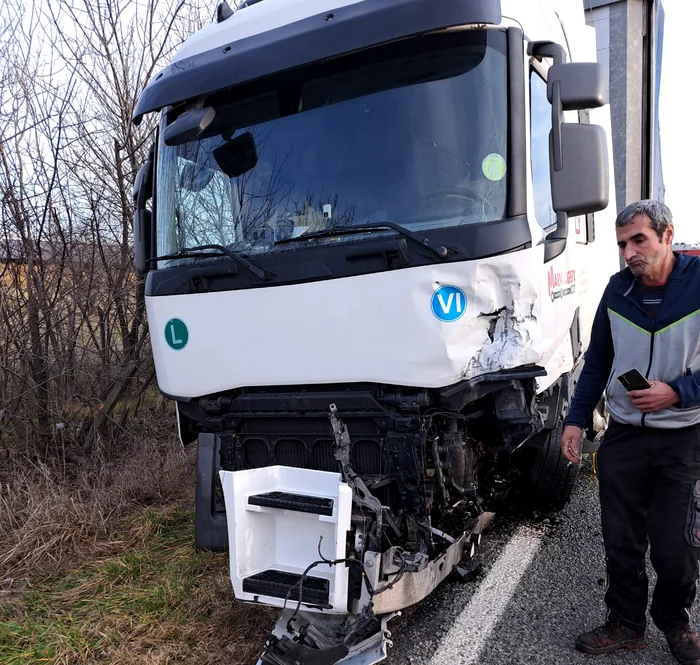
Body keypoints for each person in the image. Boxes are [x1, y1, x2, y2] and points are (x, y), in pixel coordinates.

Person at [560, 199, 700, 665]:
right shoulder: (617, 292)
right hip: (624, 438)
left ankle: (675, 622)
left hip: (683, 437)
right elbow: (598, 360)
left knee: (676, 547)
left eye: (639, 240)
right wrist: (575, 420)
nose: (629, 252)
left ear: (666, 235)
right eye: (622, 244)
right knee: (621, 540)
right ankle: (625, 623)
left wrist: (676, 393)